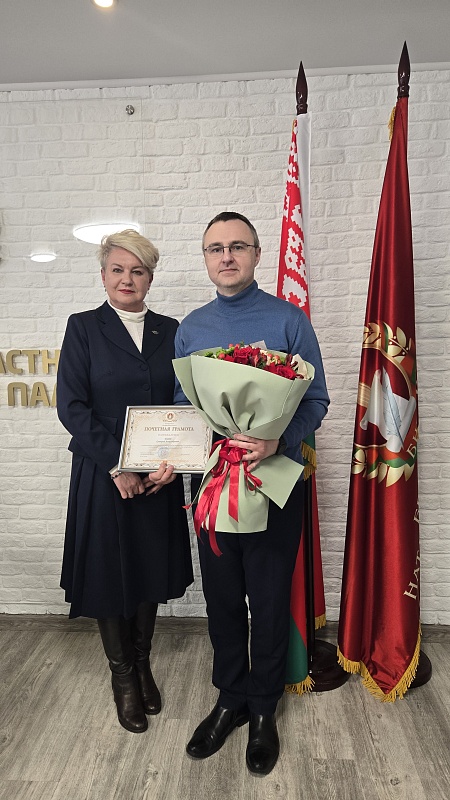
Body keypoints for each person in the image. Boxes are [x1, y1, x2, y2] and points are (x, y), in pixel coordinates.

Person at [174, 211, 329, 775]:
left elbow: (317, 400)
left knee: (267, 601)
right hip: (215, 486)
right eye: (215, 248)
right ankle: (230, 698)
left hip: (276, 483)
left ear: (257, 254)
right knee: (221, 601)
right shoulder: (191, 329)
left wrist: (274, 440)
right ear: (206, 258)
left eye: (238, 246)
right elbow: (184, 407)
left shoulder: (289, 320)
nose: (227, 256)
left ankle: (263, 706)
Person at [57, 229, 193, 734]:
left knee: (148, 568)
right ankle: (123, 677)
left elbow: (182, 402)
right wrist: (119, 466)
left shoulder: (170, 329)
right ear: (103, 275)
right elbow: (72, 407)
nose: (127, 279)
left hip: (157, 476)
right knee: (109, 573)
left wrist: (172, 462)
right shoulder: (83, 327)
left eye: (137, 271)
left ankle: (142, 662)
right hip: (102, 473)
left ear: (150, 278)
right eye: (118, 269)